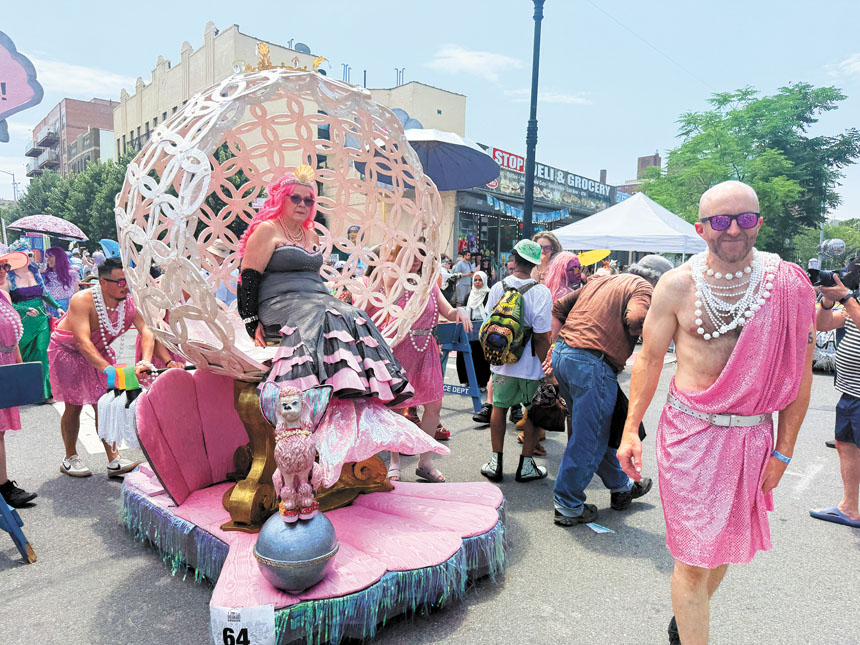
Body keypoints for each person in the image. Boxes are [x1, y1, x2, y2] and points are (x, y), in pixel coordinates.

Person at [617, 181, 815, 645]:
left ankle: (686, 619)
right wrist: (630, 431)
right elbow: (647, 359)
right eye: (721, 221)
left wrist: (784, 451)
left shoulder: (787, 282)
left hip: (751, 439)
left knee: (722, 546)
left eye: (744, 219)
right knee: (692, 556)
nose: (733, 230)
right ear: (700, 228)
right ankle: (692, 627)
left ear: (759, 222)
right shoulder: (677, 285)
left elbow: (800, 376)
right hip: (689, 436)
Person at [237, 166, 446, 484]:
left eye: (309, 200)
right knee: (331, 316)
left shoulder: (309, 234)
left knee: (355, 315)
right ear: (281, 198)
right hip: (277, 303)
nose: (303, 205)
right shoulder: (267, 230)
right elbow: (248, 276)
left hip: (312, 301)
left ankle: (361, 395)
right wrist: (250, 320)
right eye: (296, 198)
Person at [547, 255, 672, 527]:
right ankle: (568, 504)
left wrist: (552, 347)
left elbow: (558, 307)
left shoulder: (603, 281)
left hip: (566, 356)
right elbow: (637, 317)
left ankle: (622, 487)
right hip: (592, 364)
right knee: (590, 437)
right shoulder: (643, 288)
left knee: (596, 431)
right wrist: (652, 332)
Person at [48, 257, 162, 478]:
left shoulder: (129, 302)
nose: (126, 286)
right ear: (102, 282)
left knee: (104, 403)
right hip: (68, 352)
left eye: (128, 281)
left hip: (97, 352)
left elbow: (146, 329)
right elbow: (82, 341)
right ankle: (70, 457)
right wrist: (108, 370)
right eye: (120, 282)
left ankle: (114, 459)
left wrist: (145, 361)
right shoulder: (82, 300)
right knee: (75, 405)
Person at [385, 249, 472, 482]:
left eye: (418, 257)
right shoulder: (392, 281)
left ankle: (425, 462)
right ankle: (394, 462)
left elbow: (449, 311)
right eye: (409, 255)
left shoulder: (430, 285)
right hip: (399, 350)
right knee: (395, 407)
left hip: (427, 349)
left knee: (434, 405)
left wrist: (461, 310)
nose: (414, 261)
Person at [480, 239, 553, 483]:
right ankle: (526, 465)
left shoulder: (498, 287)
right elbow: (542, 337)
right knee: (532, 412)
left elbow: (489, 322)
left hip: (502, 363)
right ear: (534, 264)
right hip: (531, 365)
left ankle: (495, 462)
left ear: (514, 259)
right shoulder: (542, 292)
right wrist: (547, 368)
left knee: (498, 408)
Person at [810, 274, 860, 528]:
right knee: (846, 445)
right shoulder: (855, 301)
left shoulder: (853, 301)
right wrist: (828, 302)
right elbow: (821, 324)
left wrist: (846, 298)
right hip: (851, 393)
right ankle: (849, 508)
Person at [0, 252, 37, 507]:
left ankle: (3, 486)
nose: (3, 268)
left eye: (3, 264)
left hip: (7, 366)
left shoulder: (4, 295)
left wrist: (20, 369)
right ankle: (4, 487)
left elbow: (13, 340)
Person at [9, 255, 63, 401]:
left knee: (42, 351)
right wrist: (23, 309)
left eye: (30, 255)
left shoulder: (35, 272)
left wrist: (57, 307)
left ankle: (45, 393)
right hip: (23, 321)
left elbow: (45, 294)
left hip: (41, 319)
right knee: (24, 355)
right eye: (27, 254)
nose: (30, 257)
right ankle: (27, 390)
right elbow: (6, 302)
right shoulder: (9, 277)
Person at [457, 270, 492, 393]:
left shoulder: (488, 295)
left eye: (480, 280)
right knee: (465, 354)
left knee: (481, 356)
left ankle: (481, 382)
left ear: (484, 281)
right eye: (475, 280)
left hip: (483, 329)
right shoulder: (469, 295)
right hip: (470, 327)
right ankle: (466, 381)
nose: (477, 282)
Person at [42, 247, 80, 316]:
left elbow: (76, 293)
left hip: (66, 309)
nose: (48, 260)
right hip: (49, 310)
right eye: (47, 257)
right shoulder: (44, 275)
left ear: (59, 257)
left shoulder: (71, 274)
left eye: (51, 256)